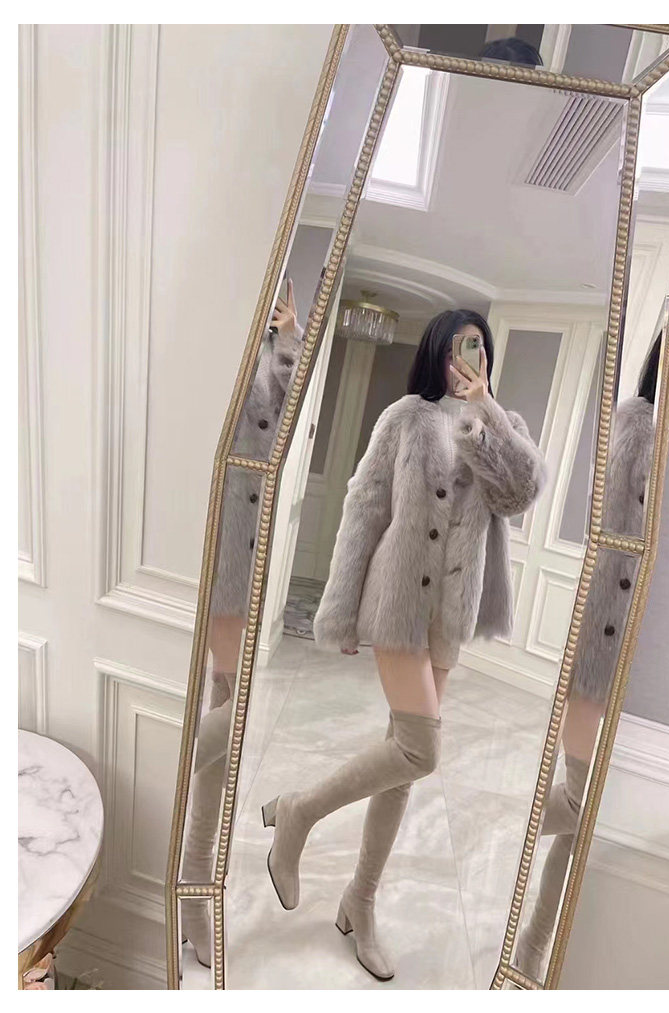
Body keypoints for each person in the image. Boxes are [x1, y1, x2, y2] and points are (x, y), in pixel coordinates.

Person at [260, 308, 547, 981]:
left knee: (404, 764)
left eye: (478, 347)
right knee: (421, 748)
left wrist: (486, 413)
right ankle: (299, 812)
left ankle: (360, 900)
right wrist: (339, 613)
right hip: (397, 602)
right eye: (457, 347)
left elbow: (521, 492)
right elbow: (364, 509)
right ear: (436, 352)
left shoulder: (501, 425)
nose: (467, 358)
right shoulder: (404, 418)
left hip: (452, 612)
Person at [514, 336, 660, 982]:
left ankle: (534, 947)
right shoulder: (640, 426)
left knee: (578, 825)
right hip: (605, 642)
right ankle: (509, 824)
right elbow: (623, 540)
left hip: (640, 657)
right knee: (579, 805)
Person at [180, 279, 304, 968]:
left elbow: (284, 429)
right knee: (225, 722)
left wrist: (289, 338)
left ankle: (194, 889)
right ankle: (189, 879)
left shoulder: (271, 353)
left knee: (228, 722)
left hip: (243, 557)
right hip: (197, 549)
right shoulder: (204, 332)